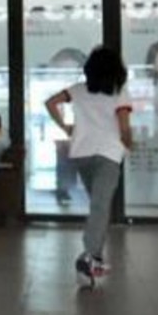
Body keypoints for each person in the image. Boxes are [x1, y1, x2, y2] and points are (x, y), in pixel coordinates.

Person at [45, 43, 134, 285]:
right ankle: (89, 257)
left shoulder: (78, 90)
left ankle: (93, 260)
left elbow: (50, 103)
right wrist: (128, 143)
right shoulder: (119, 91)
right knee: (100, 207)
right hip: (109, 154)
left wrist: (66, 127)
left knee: (98, 206)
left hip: (81, 153)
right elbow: (124, 126)